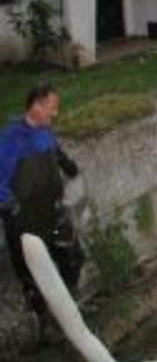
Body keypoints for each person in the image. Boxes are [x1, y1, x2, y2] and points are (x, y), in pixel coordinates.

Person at [0, 83, 83, 326]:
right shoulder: (12, 139)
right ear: (36, 105)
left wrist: (67, 163)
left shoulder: (46, 131)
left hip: (51, 209)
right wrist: (11, 209)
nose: (55, 114)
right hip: (23, 218)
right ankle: (45, 323)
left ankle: (69, 305)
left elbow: (54, 152)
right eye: (51, 108)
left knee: (72, 256)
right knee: (32, 276)